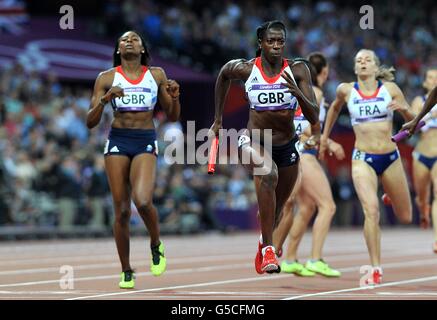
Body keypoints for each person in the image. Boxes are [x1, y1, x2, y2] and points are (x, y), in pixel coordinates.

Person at [210, 20, 320, 274]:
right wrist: (218, 118)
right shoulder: (247, 69)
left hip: (287, 145)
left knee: (277, 211)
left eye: (280, 41)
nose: (276, 45)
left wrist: (298, 93)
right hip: (254, 142)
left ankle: (263, 242)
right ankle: (270, 250)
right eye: (271, 41)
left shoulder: (298, 70)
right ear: (261, 43)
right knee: (268, 172)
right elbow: (224, 74)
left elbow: (314, 117)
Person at [86, 30, 181, 289]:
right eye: (124, 39)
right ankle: (126, 270)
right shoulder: (106, 78)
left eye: (135, 39)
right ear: (118, 49)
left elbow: (172, 116)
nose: (129, 41)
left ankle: (155, 243)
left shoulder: (156, 75)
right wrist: (104, 101)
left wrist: (175, 96)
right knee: (122, 210)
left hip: (144, 140)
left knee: (143, 200)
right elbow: (90, 122)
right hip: (117, 140)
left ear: (142, 49)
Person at [319, 49, 414, 285]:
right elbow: (333, 108)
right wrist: (324, 136)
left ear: (375, 67)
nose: (362, 63)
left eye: (367, 60)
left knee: (405, 216)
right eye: (358, 60)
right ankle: (375, 267)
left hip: (390, 157)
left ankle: (388, 193)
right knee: (371, 211)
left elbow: (414, 122)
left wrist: (403, 108)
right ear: (355, 68)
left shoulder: (390, 90)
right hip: (362, 159)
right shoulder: (346, 90)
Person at [273, 52, 345, 277]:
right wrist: (329, 142)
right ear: (324, 72)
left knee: (305, 207)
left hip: (294, 152)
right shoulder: (316, 92)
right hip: (304, 154)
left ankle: (291, 258)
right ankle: (315, 258)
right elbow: (305, 126)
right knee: (328, 206)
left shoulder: (294, 91)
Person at [405, 69, 437, 252]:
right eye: (431, 77)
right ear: (425, 82)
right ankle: (423, 208)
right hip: (421, 155)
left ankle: (436, 239)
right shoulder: (419, 102)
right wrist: (429, 115)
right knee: (422, 196)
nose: (434, 81)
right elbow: (414, 126)